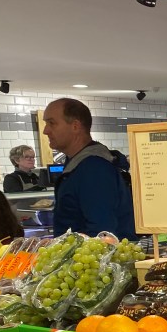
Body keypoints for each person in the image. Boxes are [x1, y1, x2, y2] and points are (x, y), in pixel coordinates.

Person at [42, 98, 137, 239]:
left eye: (52, 123)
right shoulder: (79, 164)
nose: (45, 131)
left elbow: (103, 232)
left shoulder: (94, 168)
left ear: (75, 126)